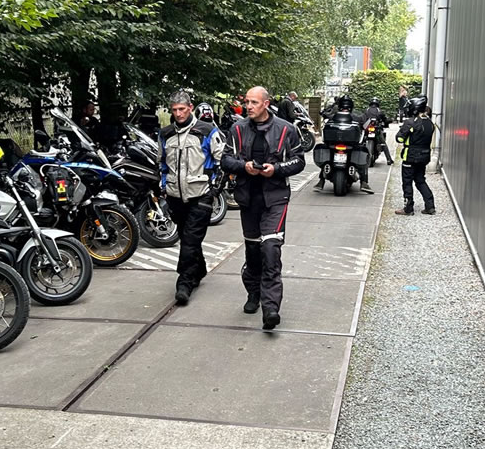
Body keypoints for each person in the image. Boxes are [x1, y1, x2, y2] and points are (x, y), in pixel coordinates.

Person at [221, 86, 306, 330]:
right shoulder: (237, 129)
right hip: (248, 199)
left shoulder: (286, 129)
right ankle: (253, 292)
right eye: (247, 102)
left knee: (270, 250)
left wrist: (276, 169)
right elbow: (225, 159)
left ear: (266, 104)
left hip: (275, 199)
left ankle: (271, 309)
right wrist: (244, 166)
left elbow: (299, 160)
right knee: (253, 251)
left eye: (254, 102)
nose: (248, 106)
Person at [160, 91, 225, 305]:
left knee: (189, 240)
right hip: (175, 196)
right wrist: (163, 188)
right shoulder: (166, 134)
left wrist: (214, 192)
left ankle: (184, 283)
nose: (179, 113)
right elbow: (162, 164)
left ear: (190, 107)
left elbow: (222, 161)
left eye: (182, 109)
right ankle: (200, 269)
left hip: (201, 196)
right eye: (175, 110)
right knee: (187, 238)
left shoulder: (206, 131)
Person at [314, 95, 373, 194]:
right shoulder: (357, 117)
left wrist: (326, 112)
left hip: (334, 145)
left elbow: (325, 116)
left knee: (328, 157)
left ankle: (321, 180)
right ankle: (364, 182)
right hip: (351, 146)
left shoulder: (334, 116)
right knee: (362, 155)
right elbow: (364, 124)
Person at [395, 96, 437, 215]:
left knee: (407, 182)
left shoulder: (410, 122)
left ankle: (408, 208)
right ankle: (430, 206)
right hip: (424, 157)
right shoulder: (430, 123)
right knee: (420, 180)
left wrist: (404, 132)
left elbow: (399, 138)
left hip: (410, 157)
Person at [363, 96, 393, 165]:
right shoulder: (379, 111)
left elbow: (362, 119)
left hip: (367, 129)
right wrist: (387, 122)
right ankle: (389, 160)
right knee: (383, 143)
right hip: (376, 129)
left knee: (362, 141)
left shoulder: (366, 110)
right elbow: (385, 120)